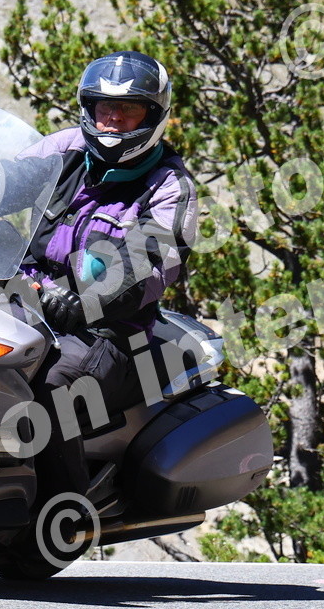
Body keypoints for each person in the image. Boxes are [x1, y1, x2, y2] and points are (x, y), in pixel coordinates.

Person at [23, 51, 199, 501]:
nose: (114, 119)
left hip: (105, 332)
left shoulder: (168, 187)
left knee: (50, 387)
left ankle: (60, 513)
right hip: (21, 302)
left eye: (129, 109)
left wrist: (83, 299)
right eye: (105, 107)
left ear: (153, 116)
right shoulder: (63, 150)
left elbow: (149, 265)